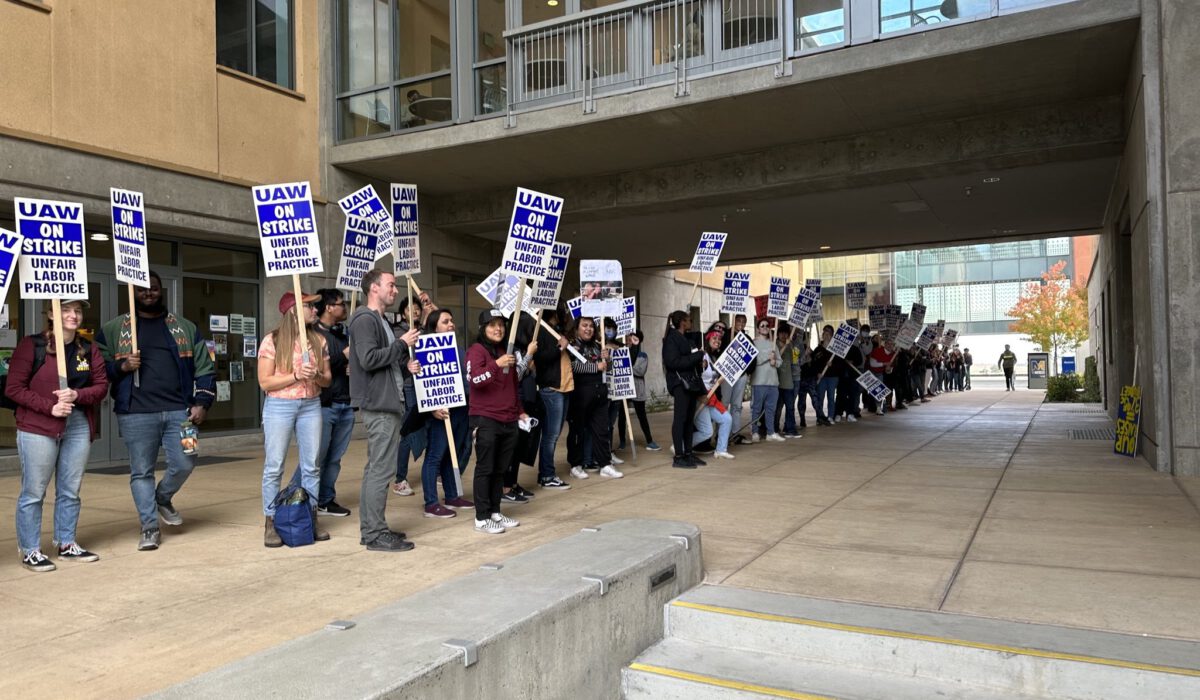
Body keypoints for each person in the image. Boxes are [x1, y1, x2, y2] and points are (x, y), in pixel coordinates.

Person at [97, 271, 215, 551]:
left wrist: (202, 402)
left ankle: (162, 498)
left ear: (162, 291)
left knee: (187, 460)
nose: (148, 293)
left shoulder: (184, 327)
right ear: (133, 293)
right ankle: (149, 527)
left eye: (153, 288)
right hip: (135, 414)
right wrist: (122, 367)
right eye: (142, 290)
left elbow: (206, 368)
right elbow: (98, 369)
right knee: (141, 472)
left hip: (181, 412)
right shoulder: (114, 329)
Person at [8, 300, 108, 572]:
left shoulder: (88, 348)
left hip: (76, 424)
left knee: (70, 489)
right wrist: (49, 406)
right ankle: (30, 550)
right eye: (65, 310)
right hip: (38, 426)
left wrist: (78, 395)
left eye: (77, 311)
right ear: (51, 314)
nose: (73, 315)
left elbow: (101, 387)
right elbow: (13, 388)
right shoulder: (32, 346)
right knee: (34, 491)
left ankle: (66, 543)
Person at [348, 270, 419, 552]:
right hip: (380, 404)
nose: (395, 289)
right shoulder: (366, 318)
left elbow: (383, 363)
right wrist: (402, 344)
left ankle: (373, 529)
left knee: (376, 469)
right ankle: (375, 533)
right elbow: (368, 359)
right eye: (390, 284)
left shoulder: (379, 320)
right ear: (374, 288)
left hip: (385, 400)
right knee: (381, 469)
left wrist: (404, 366)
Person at [258, 291, 332, 548]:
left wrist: (315, 378)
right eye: (309, 306)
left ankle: (310, 518)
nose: (315, 309)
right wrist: (296, 375)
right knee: (274, 465)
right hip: (279, 406)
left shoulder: (318, 340)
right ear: (293, 311)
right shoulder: (273, 341)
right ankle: (270, 522)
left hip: (311, 404)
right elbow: (265, 382)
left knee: (311, 465)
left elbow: (327, 379)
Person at [466, 310, 527, 534]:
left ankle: (494, 512)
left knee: (501, 470)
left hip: (509, 419)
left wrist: (520, 412)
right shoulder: (476, 351)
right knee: (485, 468)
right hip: (485, 418)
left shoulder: (505, 351)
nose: (498, 329)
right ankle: (481, 518)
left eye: (501, 324)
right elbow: (475, 380)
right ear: (483, 328)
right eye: (492, 325)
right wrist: (496, 364)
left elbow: (512, 387)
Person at [418, 308, 474, 518]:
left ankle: (452, 495)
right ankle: (431, 503)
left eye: (451, 321)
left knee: (453, 453)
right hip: (440, 410)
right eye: (445, 321)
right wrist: (432, 408)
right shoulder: (422, 350)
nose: (451, 324)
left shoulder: (459, 349)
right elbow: (421, 382)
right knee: (435, 455)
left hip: (461, 407)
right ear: (434, 327)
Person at [304, 288, 353, 517]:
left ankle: (326, 499)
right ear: (329, 307)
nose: (345, 308)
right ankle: (303, 502)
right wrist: (342, 356)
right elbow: (315, 368)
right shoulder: (313, 334)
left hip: (345, 402)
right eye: (341, 304)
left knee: (335, 458)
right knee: (316, 458)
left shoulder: (343, 334)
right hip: (323, 404)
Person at [567, 316, 622, 479]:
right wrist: (595, 366)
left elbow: (606, 368)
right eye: (584, 325)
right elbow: (572, 366)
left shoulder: (599, 346)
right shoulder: (572, 346)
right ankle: (576, 465)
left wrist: (608, 359)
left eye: (591, 326)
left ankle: (605, 464)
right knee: (578, 431)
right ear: (577, 328)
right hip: (580, 393)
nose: (588, 329)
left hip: (600, 392)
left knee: (602, 430)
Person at [532, 304, 572, 490]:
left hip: (563, 388)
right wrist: (559, 348)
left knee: (554, 434)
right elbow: (541, 358)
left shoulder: (557, 331)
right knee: (551, 435)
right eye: (561, 310)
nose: (564, 313)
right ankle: (547, 475)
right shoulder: (541, 330)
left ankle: (547, 473)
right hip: (551, 389)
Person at [694, 329, 735, 459]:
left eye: (719, 339)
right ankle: (682, 445)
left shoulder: (713, 358)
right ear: (707, 339)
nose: (717, 341)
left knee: (727, 419)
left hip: (711, 398)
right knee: (707, 432)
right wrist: (699, 395)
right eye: (714, 338)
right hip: (701, 398)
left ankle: (721, 450)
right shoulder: (700, 355)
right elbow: (695, 377)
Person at [749, 318, 785, 442]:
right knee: (756, 408)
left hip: (773, 382)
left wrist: (775, 362)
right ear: (758, 329)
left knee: (771, 409)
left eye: (766, 325)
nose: (765, 327)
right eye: (762, 325)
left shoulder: (773, 343)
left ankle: (770, 432)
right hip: (759, 381)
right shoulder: (753, 343)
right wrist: (766, 357)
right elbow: (752, 362)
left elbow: (780, 362)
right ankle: (754, 432)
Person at [627, 331, 661, 450]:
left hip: (638, 389)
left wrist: (626, 367)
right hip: (624, 387)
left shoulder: (643, 355)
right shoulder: (623, 353)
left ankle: (649, 440)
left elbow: (640, 371)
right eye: (630, 338)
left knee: (642, 415)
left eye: (635, 339)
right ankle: (621, 442)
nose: (632, 341)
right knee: (622, 415)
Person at [724, 314, 751, 441]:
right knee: (723, 405)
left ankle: (735, 433)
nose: (741, 323)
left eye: (743, 321)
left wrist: (747, 371)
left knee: (737, 406)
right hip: (726, 375)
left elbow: (751, 359)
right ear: (733, 321)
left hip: (740, 376)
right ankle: (721, 434)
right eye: (738, 320)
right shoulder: (725, 336)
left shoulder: (746, 339)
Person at [773, 324, 800, 438]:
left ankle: (790, 429)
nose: (784, 335)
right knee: (777, 408)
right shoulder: (774, 346)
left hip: (789, 381)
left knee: (790, 407)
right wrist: (786, 345)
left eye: (786, 333)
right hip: (777, 382)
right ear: (778, 334)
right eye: (781, 333)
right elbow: (777, 358)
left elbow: (794, 362)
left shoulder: (791, 345)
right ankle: (774, 429)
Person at [811, 325, 837, 425]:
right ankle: (820, 417)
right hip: (821, 377)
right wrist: (817, 373)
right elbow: (813, 363)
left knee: (831, 397)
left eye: (828, 334)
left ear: (832, 335)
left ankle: (830, 416)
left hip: (832, 377)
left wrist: (832, 364)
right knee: (820, 397)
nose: (826, 335)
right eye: (824, 333)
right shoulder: (818, 349)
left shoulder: (836, 350)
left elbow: (840, 363)